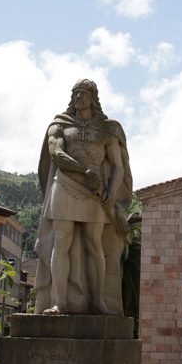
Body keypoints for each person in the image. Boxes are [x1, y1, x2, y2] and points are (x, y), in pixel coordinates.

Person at [34, 79, 133, 316]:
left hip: (95, 191)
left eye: (83, 93)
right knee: (61, 241)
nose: (78, 97)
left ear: (93, 98)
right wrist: (84, 171)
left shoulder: (108, 129)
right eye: (75, 93)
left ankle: (98, 301)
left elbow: (118, 166)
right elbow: (55, 153)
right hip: (66, 184)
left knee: (93, 243)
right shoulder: (60, 125)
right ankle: (59, 302)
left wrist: (111, 193)